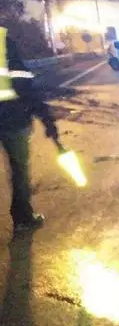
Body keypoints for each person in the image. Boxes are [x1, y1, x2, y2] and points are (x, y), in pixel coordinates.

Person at [0, 25, 59, 235]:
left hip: (11, 118)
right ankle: (23, 219)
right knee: (19, 171)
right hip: (11, 120)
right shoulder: (4, 41)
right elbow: (25, 88)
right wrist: (47, 119)